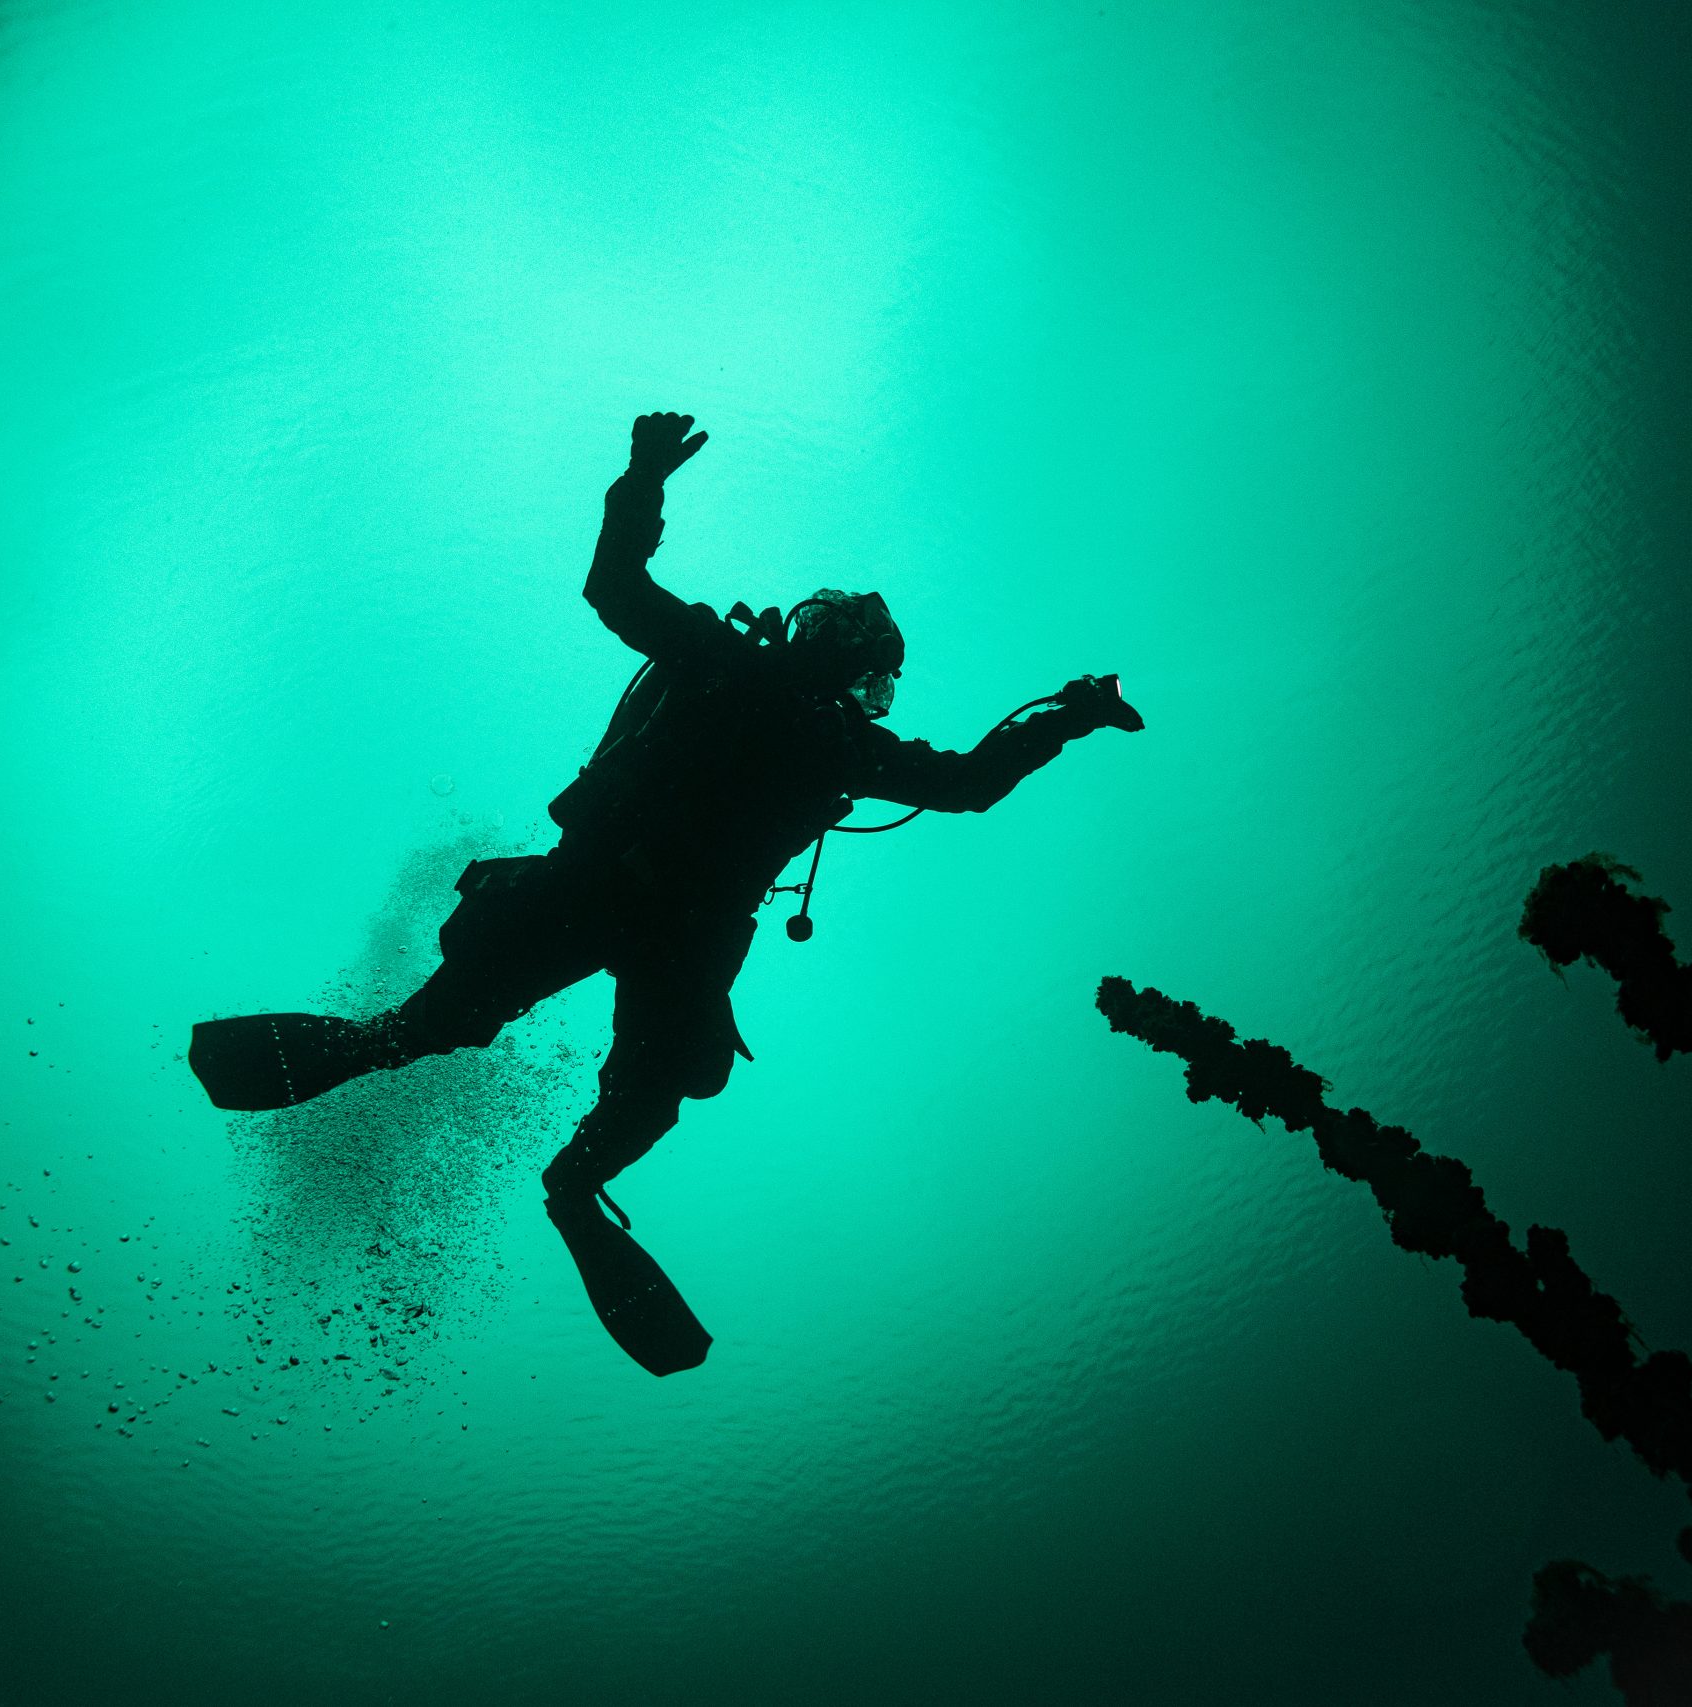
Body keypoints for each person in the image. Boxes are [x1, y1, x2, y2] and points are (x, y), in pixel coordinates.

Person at [190, 412, 1142, 1228]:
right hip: (618, 896)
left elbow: (968, 782)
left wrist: (1070, 715)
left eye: (868, 669)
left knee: (650, 1083)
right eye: (861, 658)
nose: (859, 677)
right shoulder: (744, 674)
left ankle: (570, 1181)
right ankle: (536, 1156)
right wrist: (641, 479)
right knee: (464, 1032)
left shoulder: (819, 728)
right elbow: (616, 588)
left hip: (649, 917)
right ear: (827, 641)